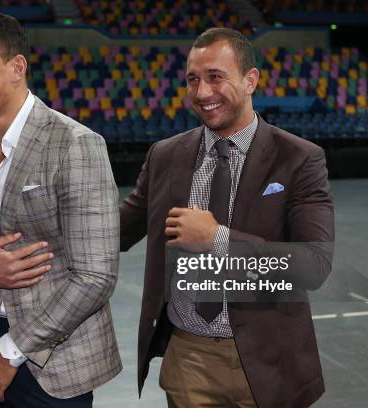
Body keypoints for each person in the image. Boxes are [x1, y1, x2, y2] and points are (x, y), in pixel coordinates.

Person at [120, 28, 334, 408]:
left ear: (250, 80)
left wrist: (217, 239)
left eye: (216, 77)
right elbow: (117, 231)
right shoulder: (165, 155)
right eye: (193, 79)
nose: (202, 93)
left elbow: (313, 265)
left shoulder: (298, 159)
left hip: (271, 360)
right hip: (190, 359)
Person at [0, 13, 121, 407]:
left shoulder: (75, 144)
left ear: (16, 67)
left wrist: (10, 349)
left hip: (55, 366)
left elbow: (95, 275)